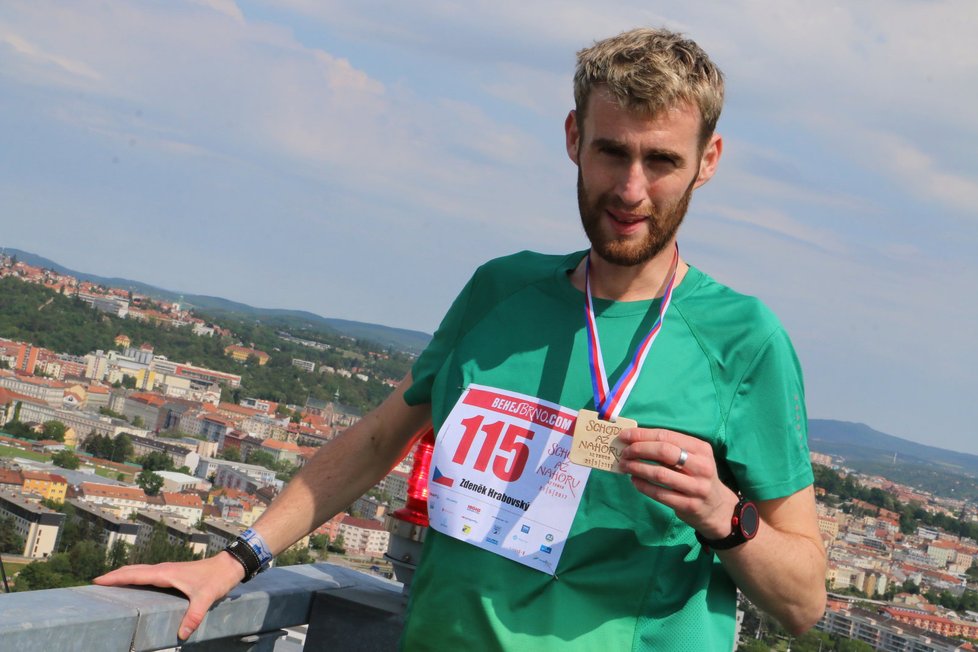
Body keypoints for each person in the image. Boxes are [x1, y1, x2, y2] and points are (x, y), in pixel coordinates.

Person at [96, 27, 827, 650]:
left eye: (662, 160)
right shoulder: (501, 290)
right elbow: (382, 438)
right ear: (574, 139)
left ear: (708, 161)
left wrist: (724, 516)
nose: (631, 189)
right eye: (612, 151)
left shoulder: (743, 340)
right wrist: (234, 561)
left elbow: (804, 604)